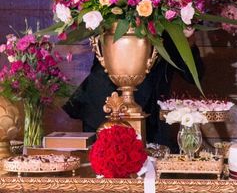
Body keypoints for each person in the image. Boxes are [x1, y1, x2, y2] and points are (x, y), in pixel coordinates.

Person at [63, 34, 204, 149]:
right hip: (102, 107)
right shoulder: (113, 11)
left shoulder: (171, 24)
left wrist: (188, 40)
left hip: (153, 116)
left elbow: (193, 76)